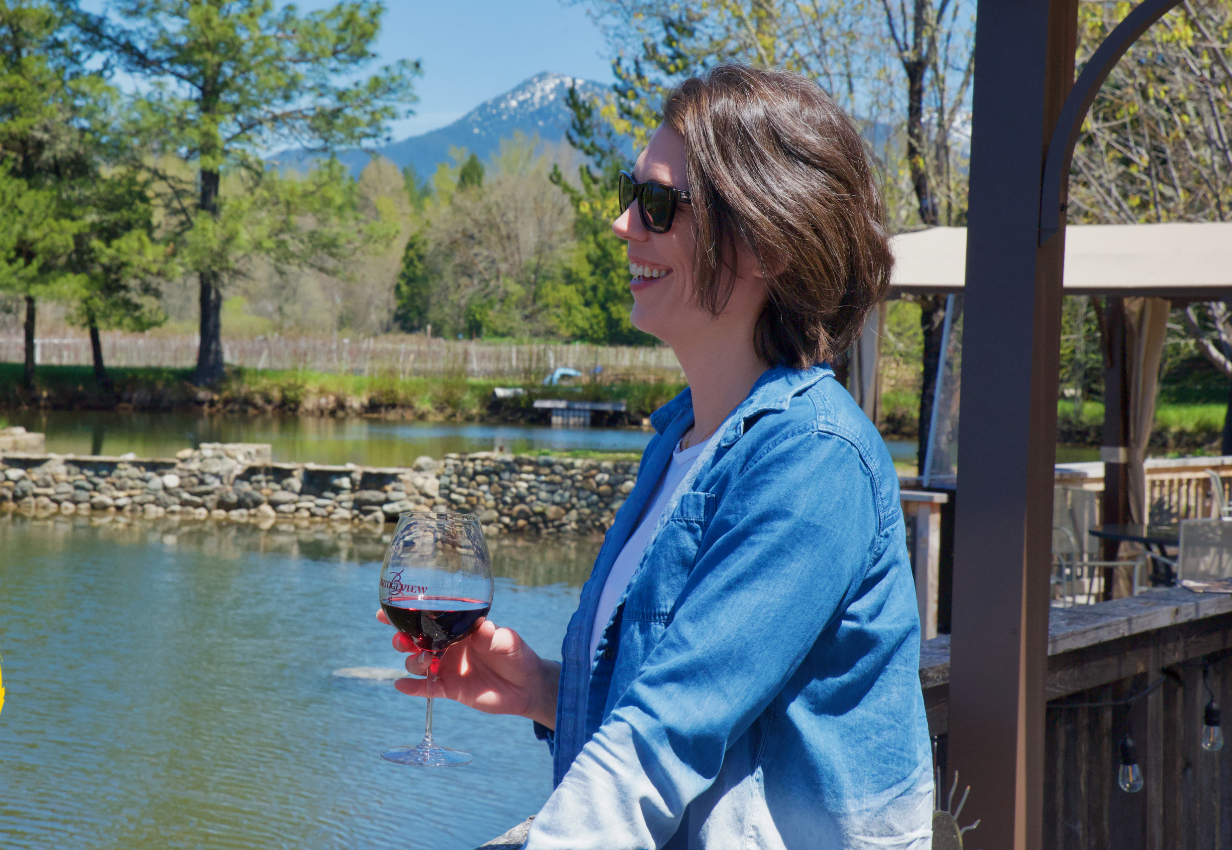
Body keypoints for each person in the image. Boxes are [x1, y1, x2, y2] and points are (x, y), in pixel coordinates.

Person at [379, 64, 933, 850]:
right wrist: (544, 692)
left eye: (659, 204)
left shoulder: (813, 459)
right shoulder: (679, 442)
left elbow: (667, 734)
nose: (623, 223)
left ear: (765, 240)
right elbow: (691, 697)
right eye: (629, 192)